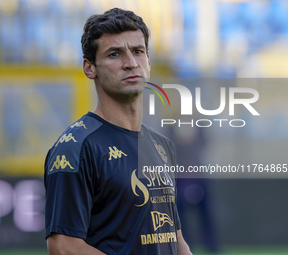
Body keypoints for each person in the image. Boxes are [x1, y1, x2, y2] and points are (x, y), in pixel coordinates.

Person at [44, 8, 192, 255]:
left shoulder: (162, 146)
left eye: (138, 51)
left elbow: (174, 239)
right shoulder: (76, 147)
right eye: (115, 54)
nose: (131, 63)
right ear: (90, 68)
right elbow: (64, 247)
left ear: (148, 62)